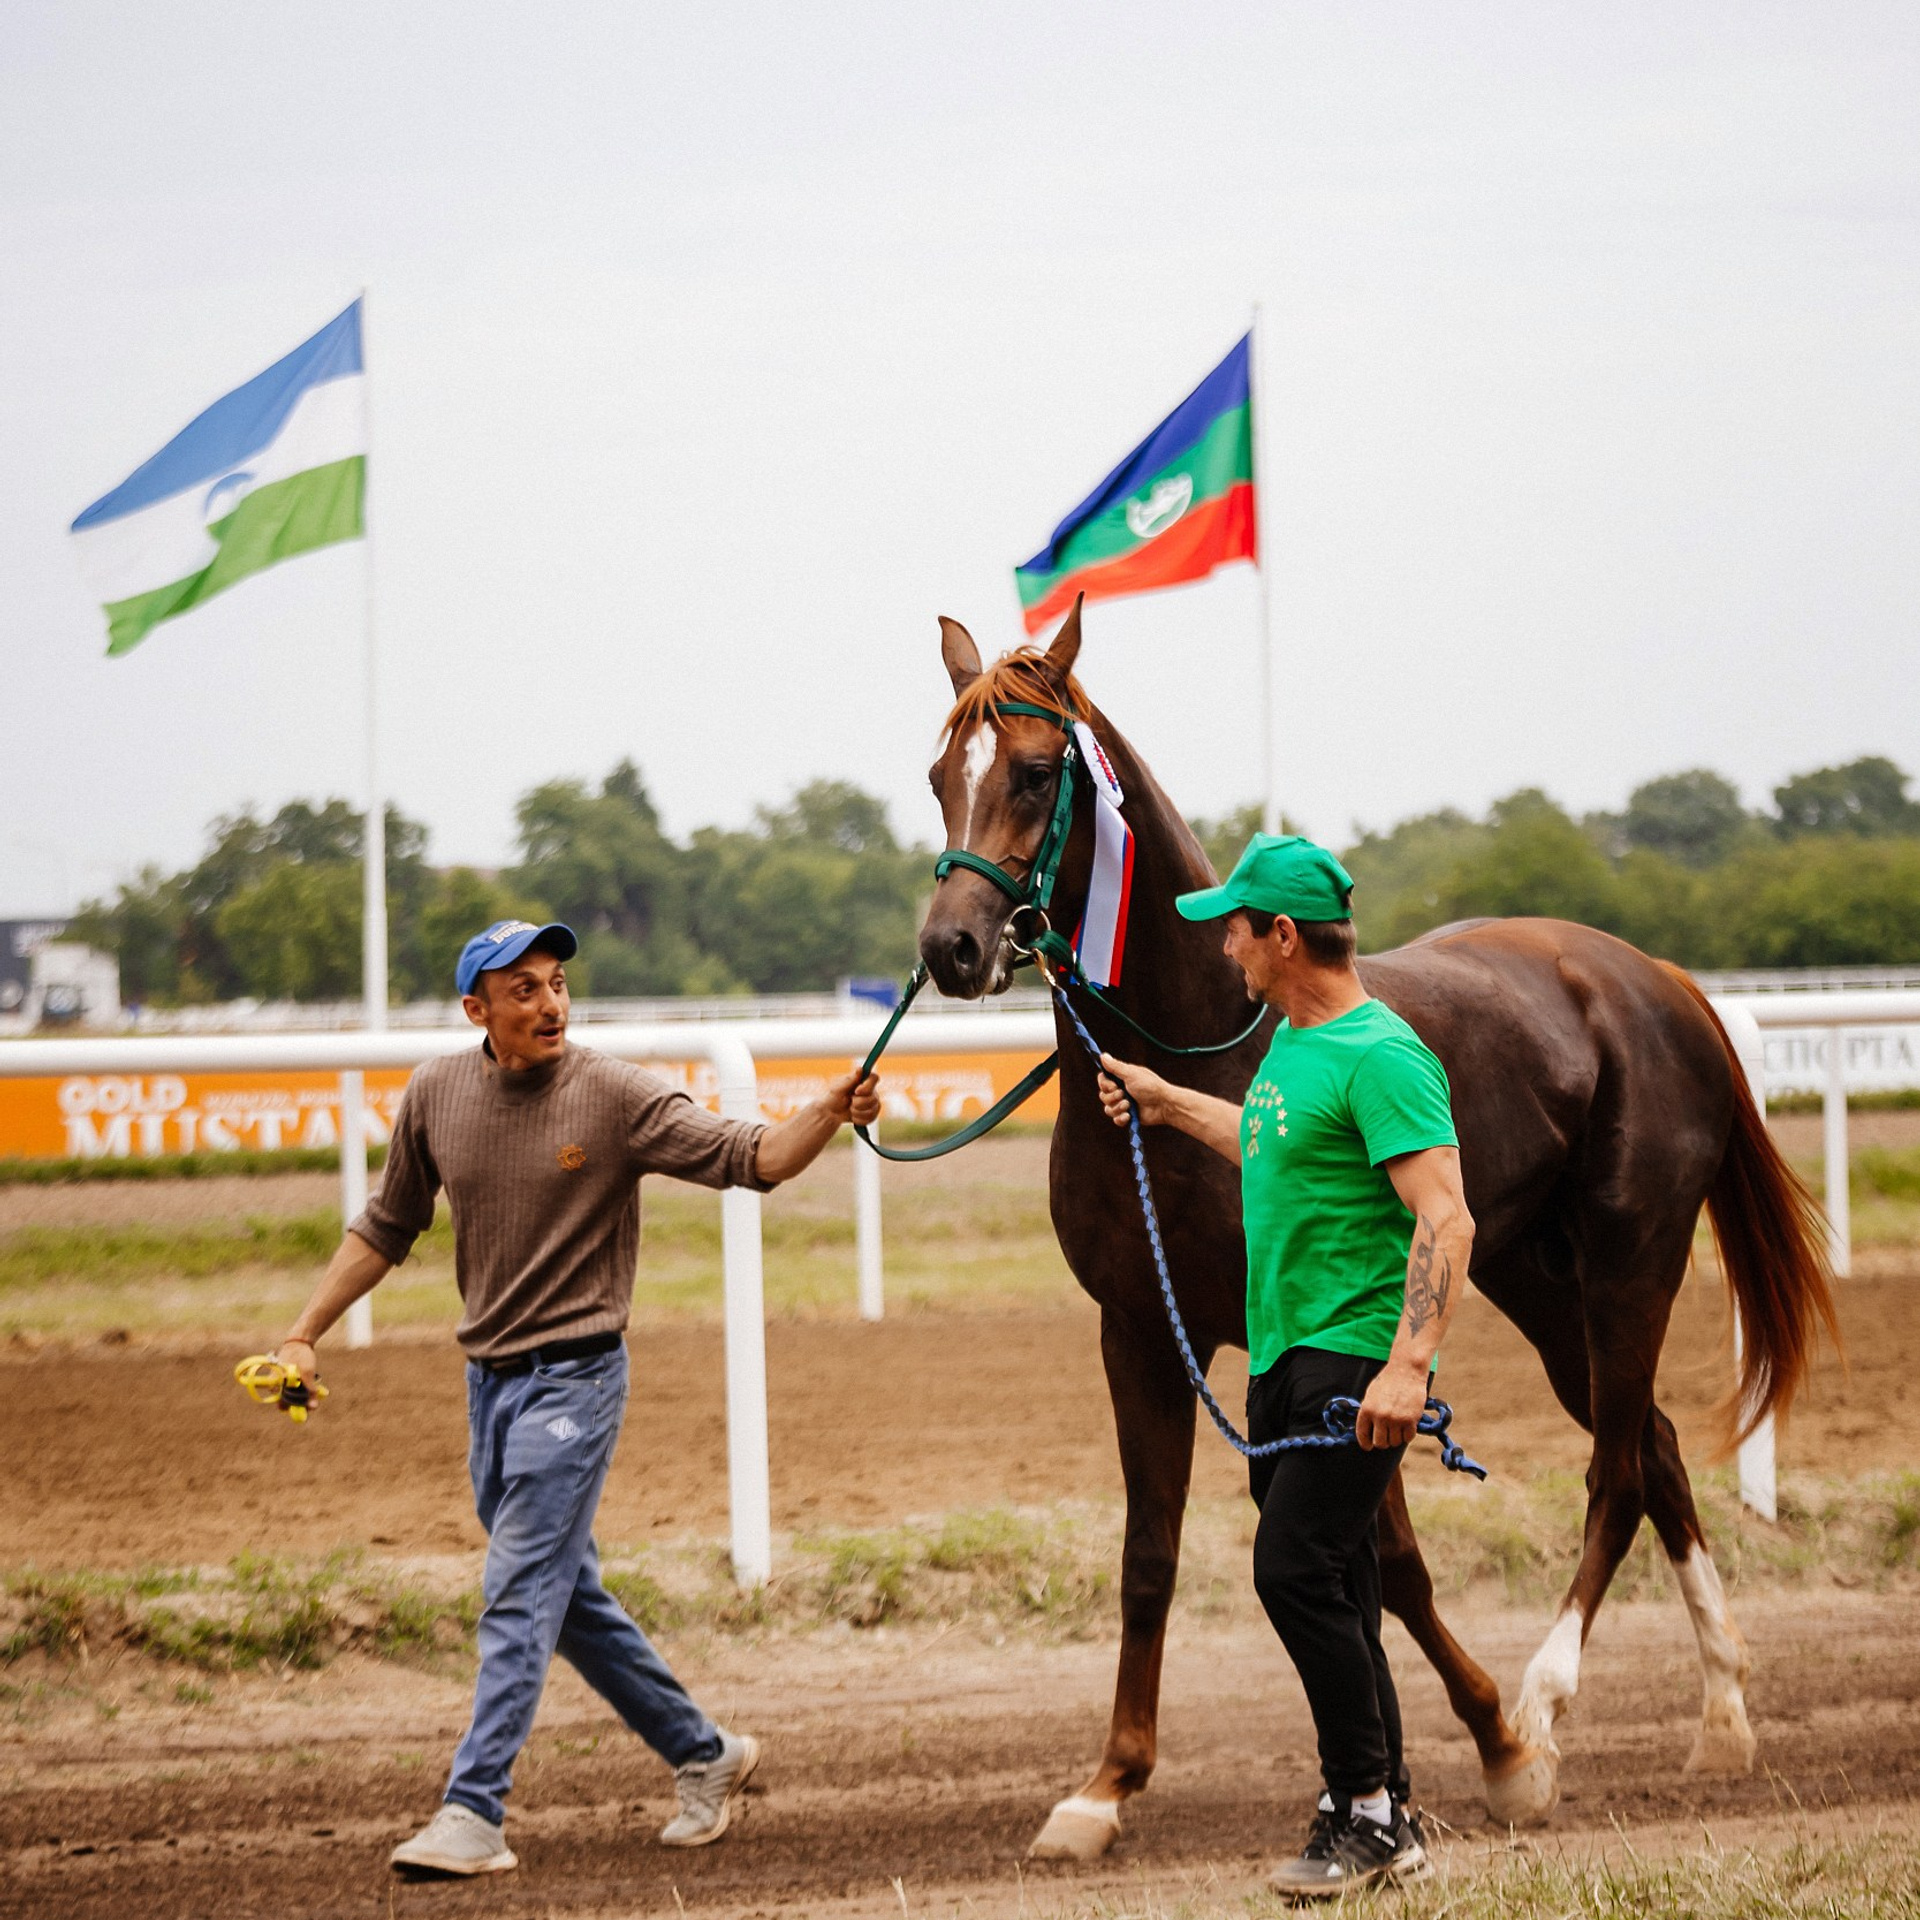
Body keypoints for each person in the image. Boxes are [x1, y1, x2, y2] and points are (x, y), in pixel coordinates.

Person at [264, 918, 881, 1879]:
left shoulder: (614, 1093)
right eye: (524, 990)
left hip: (578, 1381)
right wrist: (303, 1332)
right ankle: (707, 1755)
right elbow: (387, 1227)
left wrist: (829, 1112)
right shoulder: (434, 1094)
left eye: (556, 984)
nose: (550, 1004)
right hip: (489, 1387)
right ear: (478, 1010)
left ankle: (474, 1811)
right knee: (568, 1596)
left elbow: (751, 1159)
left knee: (517, 1589)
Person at [1095, 836, 1471, 1899]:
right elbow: (1268, 1140)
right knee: (1342, 1581)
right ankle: (1383, 1806)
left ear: (1285, 935)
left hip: (1354, 1358)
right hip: (1283, 1360)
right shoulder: (1291, 1045)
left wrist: (1411, 1367)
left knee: (1290, 1570)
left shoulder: (1382, 1056)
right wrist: (1167, 1101)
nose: (1225, 947)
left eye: (1238, 928)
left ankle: (1360, 1807)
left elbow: (1448, 1217)